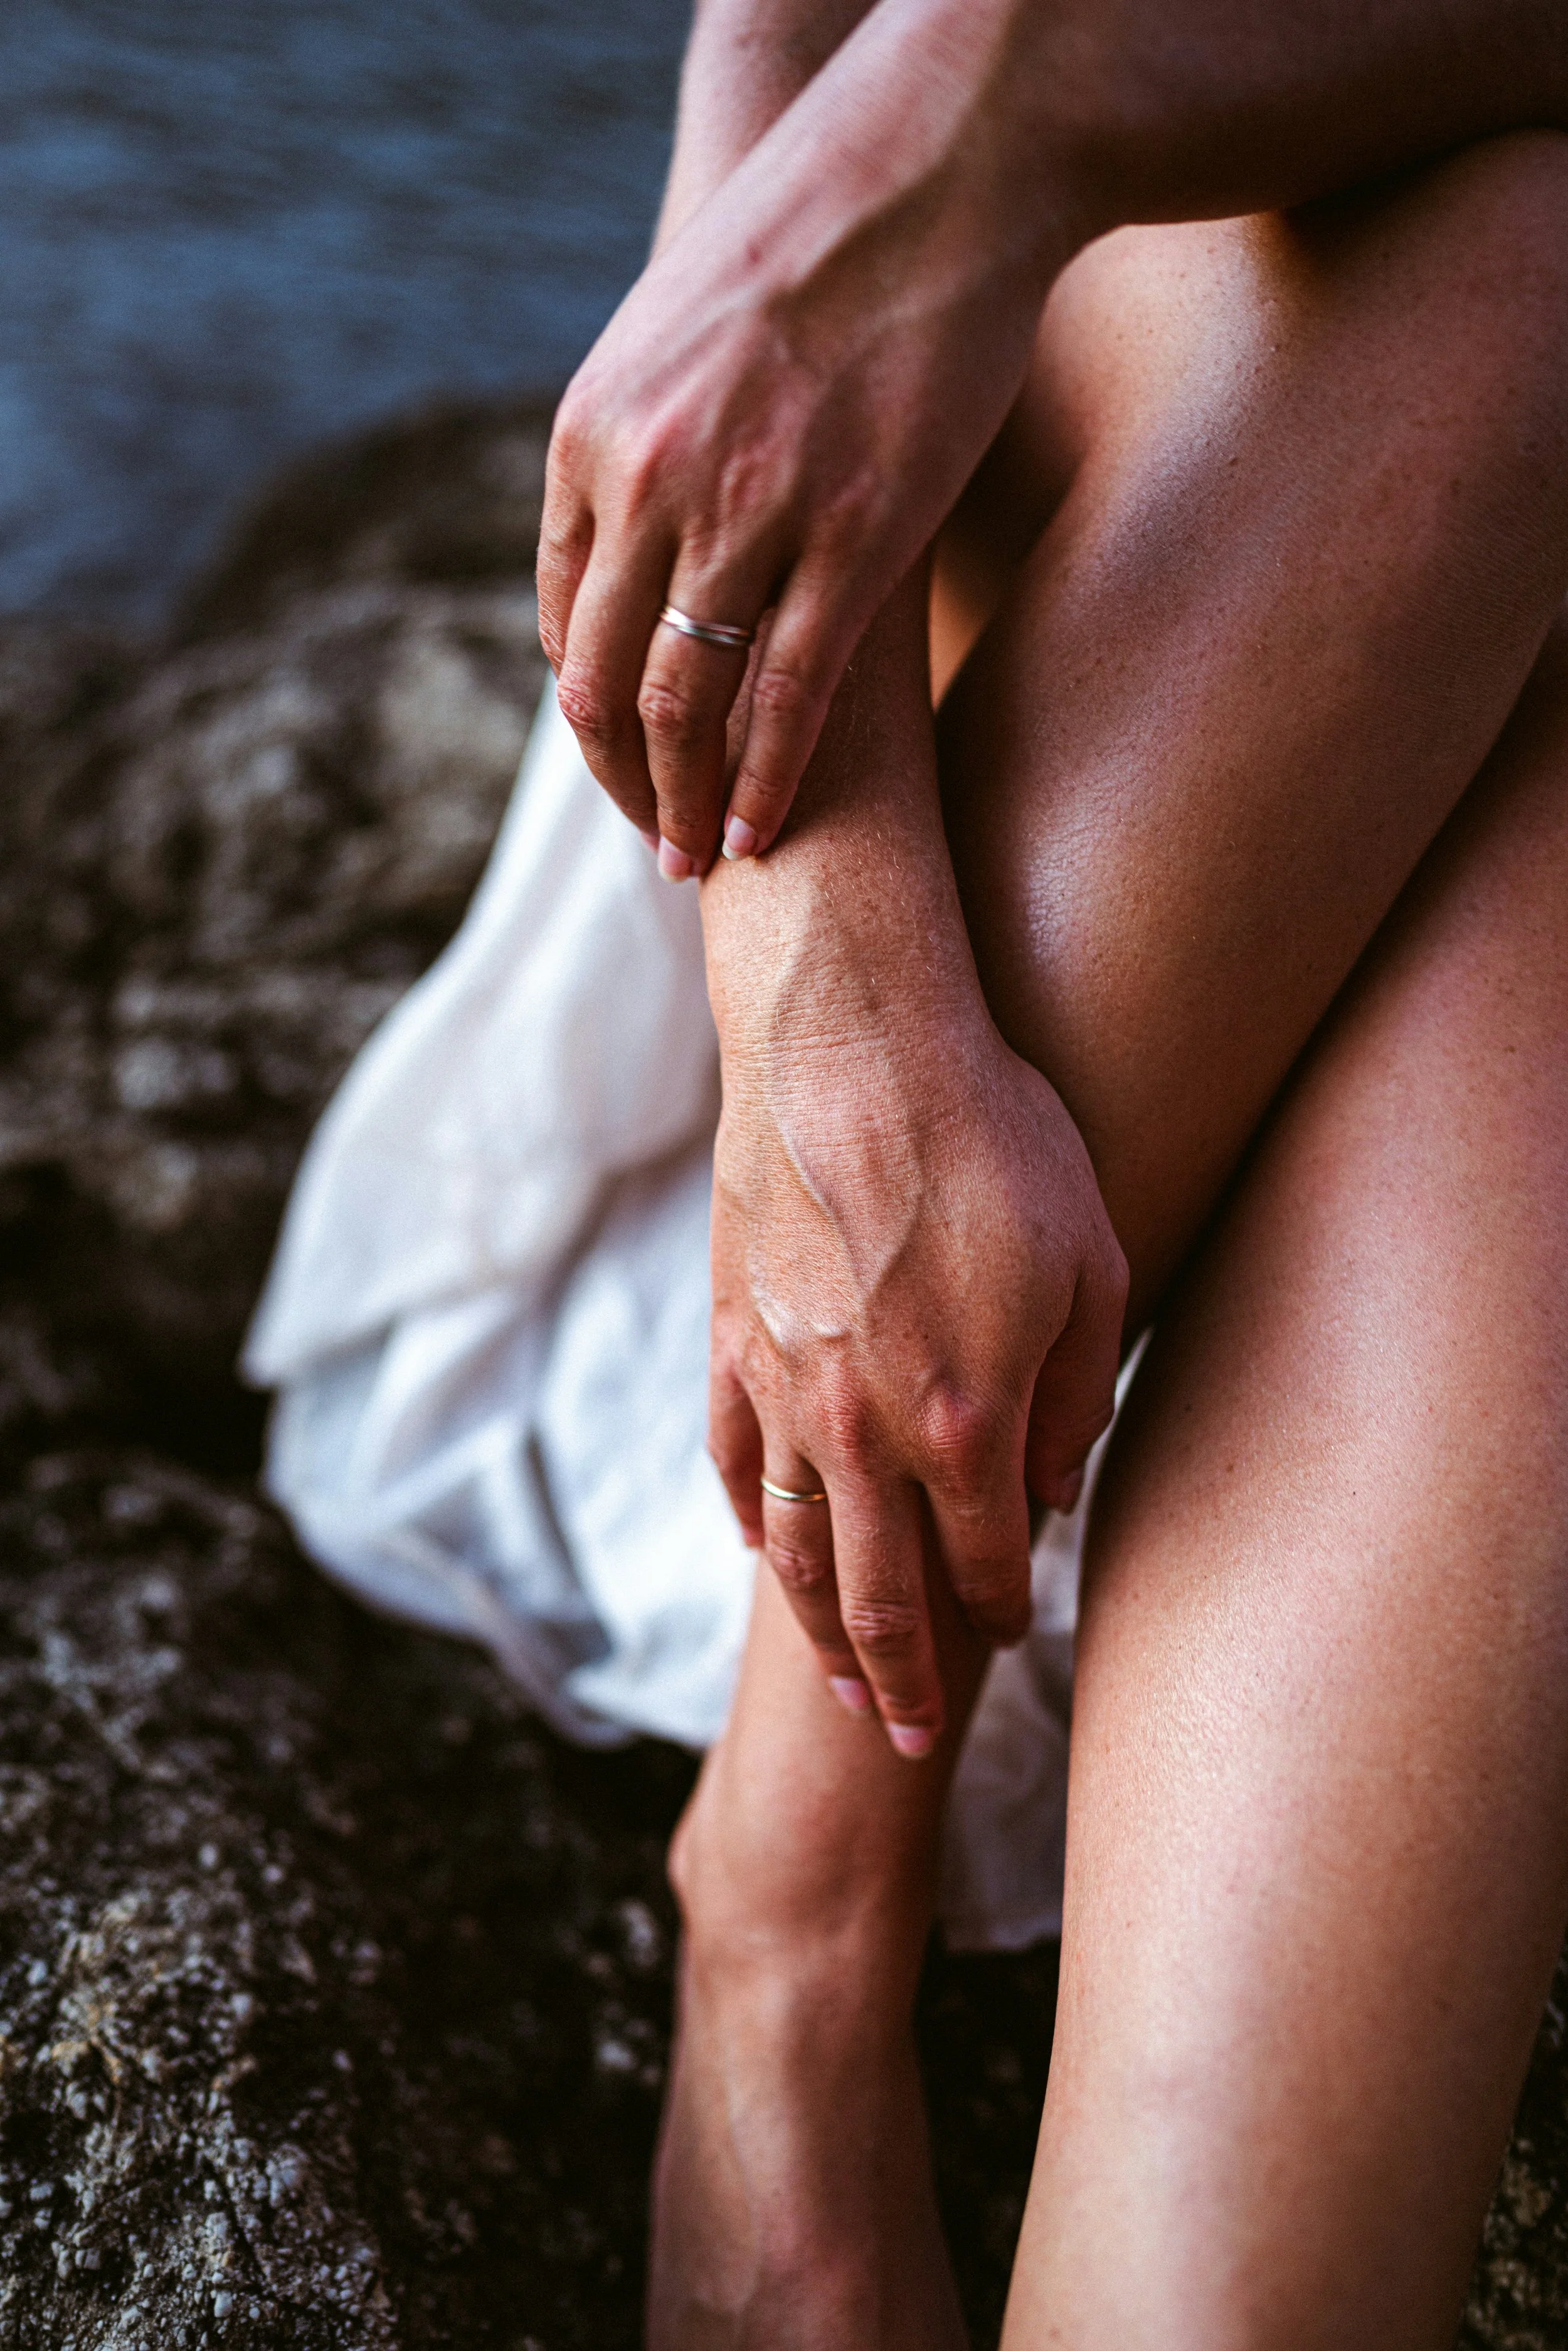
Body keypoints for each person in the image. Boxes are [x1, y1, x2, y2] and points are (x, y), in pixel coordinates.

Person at [531, 1, 1568, 2342]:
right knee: (1518, 284)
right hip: (1103, 450)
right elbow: (779, 111)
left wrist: (1021, 102)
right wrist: (820, 971)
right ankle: (799, 1910)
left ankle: (789, 1867)